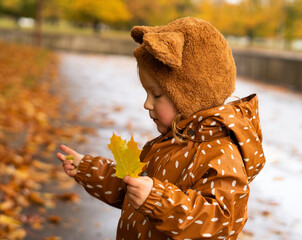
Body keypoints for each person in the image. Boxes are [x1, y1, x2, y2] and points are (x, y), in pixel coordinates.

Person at [57, 17, 266, 240]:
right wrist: (88, 169)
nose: (147, 104)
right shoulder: (168, 141)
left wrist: (157, 200)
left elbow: (219, 221)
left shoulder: (221, 153)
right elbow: (129, 185)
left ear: (190, 97)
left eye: (156, 95)